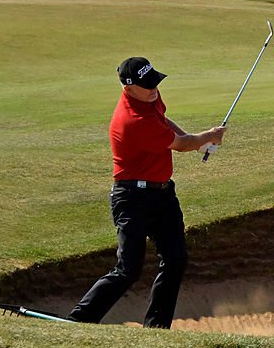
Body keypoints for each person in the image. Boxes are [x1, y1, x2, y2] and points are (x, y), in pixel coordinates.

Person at [68, 57, 226, 328]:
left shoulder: (149, 100)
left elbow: (163, 121)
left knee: (175, 259)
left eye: (154, 81)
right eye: (146, 85)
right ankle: (78, 320)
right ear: (128, 87)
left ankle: (156, 328)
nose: (153, 89)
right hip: (131, 198)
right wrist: (206, 137)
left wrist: (199, 139)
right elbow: (178, 144)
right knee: (128, 269)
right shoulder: (132, 119)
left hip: (163, 195)